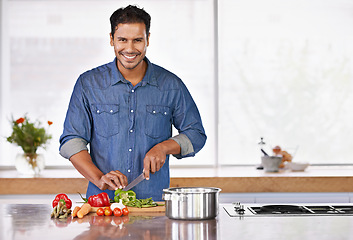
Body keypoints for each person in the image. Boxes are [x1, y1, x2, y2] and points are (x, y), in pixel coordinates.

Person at [59, 5, 206, 201]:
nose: (130, 49)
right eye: (122, 40)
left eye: (137, 40)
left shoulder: (171, 85)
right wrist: (99, 178)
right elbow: (71, 141)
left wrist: (164, 147)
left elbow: (196, 134)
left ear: (148, 40)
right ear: (111, 39)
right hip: (103, 206)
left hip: (153, 205)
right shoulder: (88, 84)